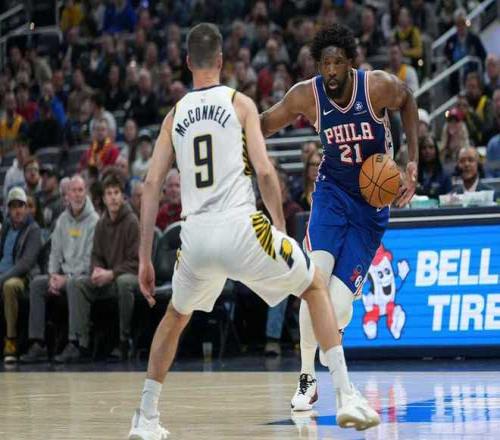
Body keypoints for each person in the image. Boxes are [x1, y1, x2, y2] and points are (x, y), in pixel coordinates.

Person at [128, 23, 380, 440]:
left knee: (175, 316)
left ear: (188, 62)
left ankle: (145, 417)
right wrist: (279, 227)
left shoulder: (174, 115)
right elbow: (264, 171)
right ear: (221, 60)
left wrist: (143, 258)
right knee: (314, 285)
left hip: (195, 237)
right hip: (241, 229)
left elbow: (152, 184)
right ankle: (346, 395)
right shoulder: (239, 103)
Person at [259, 23, 418, 411]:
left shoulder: (375, 87)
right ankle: (307, 376)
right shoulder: (307, 95)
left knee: (339, 305)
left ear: (350, 63)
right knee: (312, 282)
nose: (330, 71)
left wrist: (411, 163)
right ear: (318, 65)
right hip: (331, 194)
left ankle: (333, 332)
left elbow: (409, 100)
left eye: (337, 63)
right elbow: (262, 124)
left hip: (370, 207)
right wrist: (232, 130)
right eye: (324, 63)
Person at [20, 175, 99, 363]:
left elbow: (89, 260)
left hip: (83, 276)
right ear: (67, 195)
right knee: (37, 284)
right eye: (73, 191)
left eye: (80, 190)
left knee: (73, 284)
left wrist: (67, 277)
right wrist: (52, 275)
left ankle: (76, 343)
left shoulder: (94, 221)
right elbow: (54, 252)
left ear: (86, 193)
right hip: (62, 276)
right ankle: (38, 343)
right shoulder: (62, 220)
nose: (77, 195)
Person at [70, 172, 139, 362]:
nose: (113, 197)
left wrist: (112, 273)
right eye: (109, 193)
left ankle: (124, 341)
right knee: (77, 284)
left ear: (122, 196)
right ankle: (80, 343)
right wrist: (97, 271)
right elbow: (96, 255)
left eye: (116, 193)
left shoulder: (132, 221)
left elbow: (136, 261)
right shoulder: (101, 224)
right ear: (103, 198)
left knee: (124, 283)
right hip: (109, 278)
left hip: (130, 275)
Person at [1, 187, 43, 363]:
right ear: (8, 210)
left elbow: (25, 264)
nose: (17, 210)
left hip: (24, 277)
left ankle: (11, 340)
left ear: (26, 208)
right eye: (13, 206)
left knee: (9, 286)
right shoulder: (7, 228)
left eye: (21, 206)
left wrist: (2, 278)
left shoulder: (33, 230)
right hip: (3, 272)